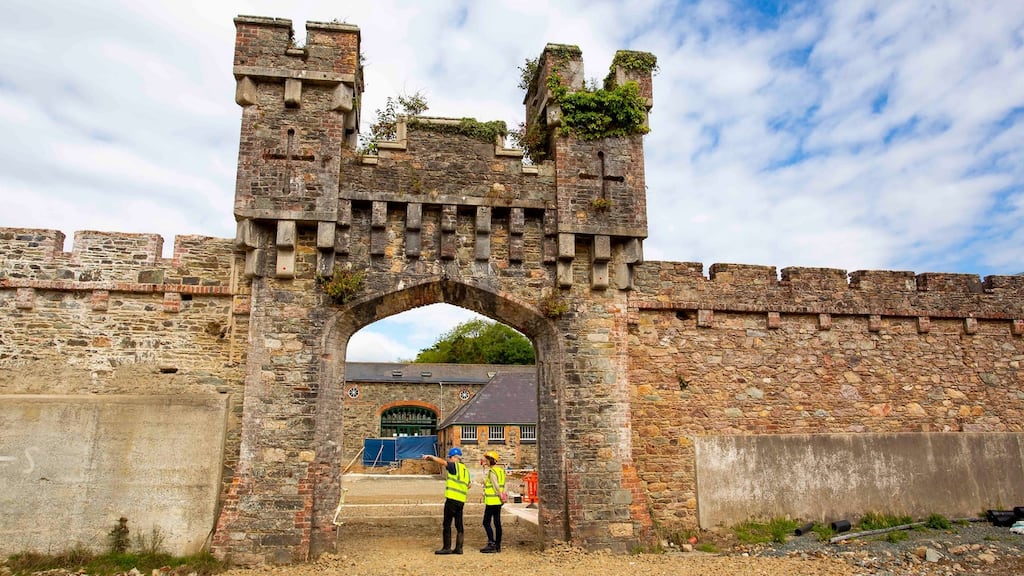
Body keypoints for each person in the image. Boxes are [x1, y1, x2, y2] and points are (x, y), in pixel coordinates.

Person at [422, 447, 470, 554]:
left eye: (450, 457)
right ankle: (459, 548)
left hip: (452, 499)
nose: (449, 459)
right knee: (459, 525)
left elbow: (443, 462)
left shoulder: (454, 466)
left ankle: (447, 548)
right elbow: (469, 485)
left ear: (455, 457)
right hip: (461, 500)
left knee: (447, 524)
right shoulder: (465, 470)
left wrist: (431, 457)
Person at [480, 450, 506, 553]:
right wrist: (503, 497)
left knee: (486, 522)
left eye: (487, 459)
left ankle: (491, 543)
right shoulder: (500, 470)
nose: (485, 461)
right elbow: (504, 484)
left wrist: (499, 494)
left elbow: (495, 485)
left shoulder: (492, 472)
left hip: (492, 501)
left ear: (491, 460)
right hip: (498, 501)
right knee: (497, 523)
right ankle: (498, 545)